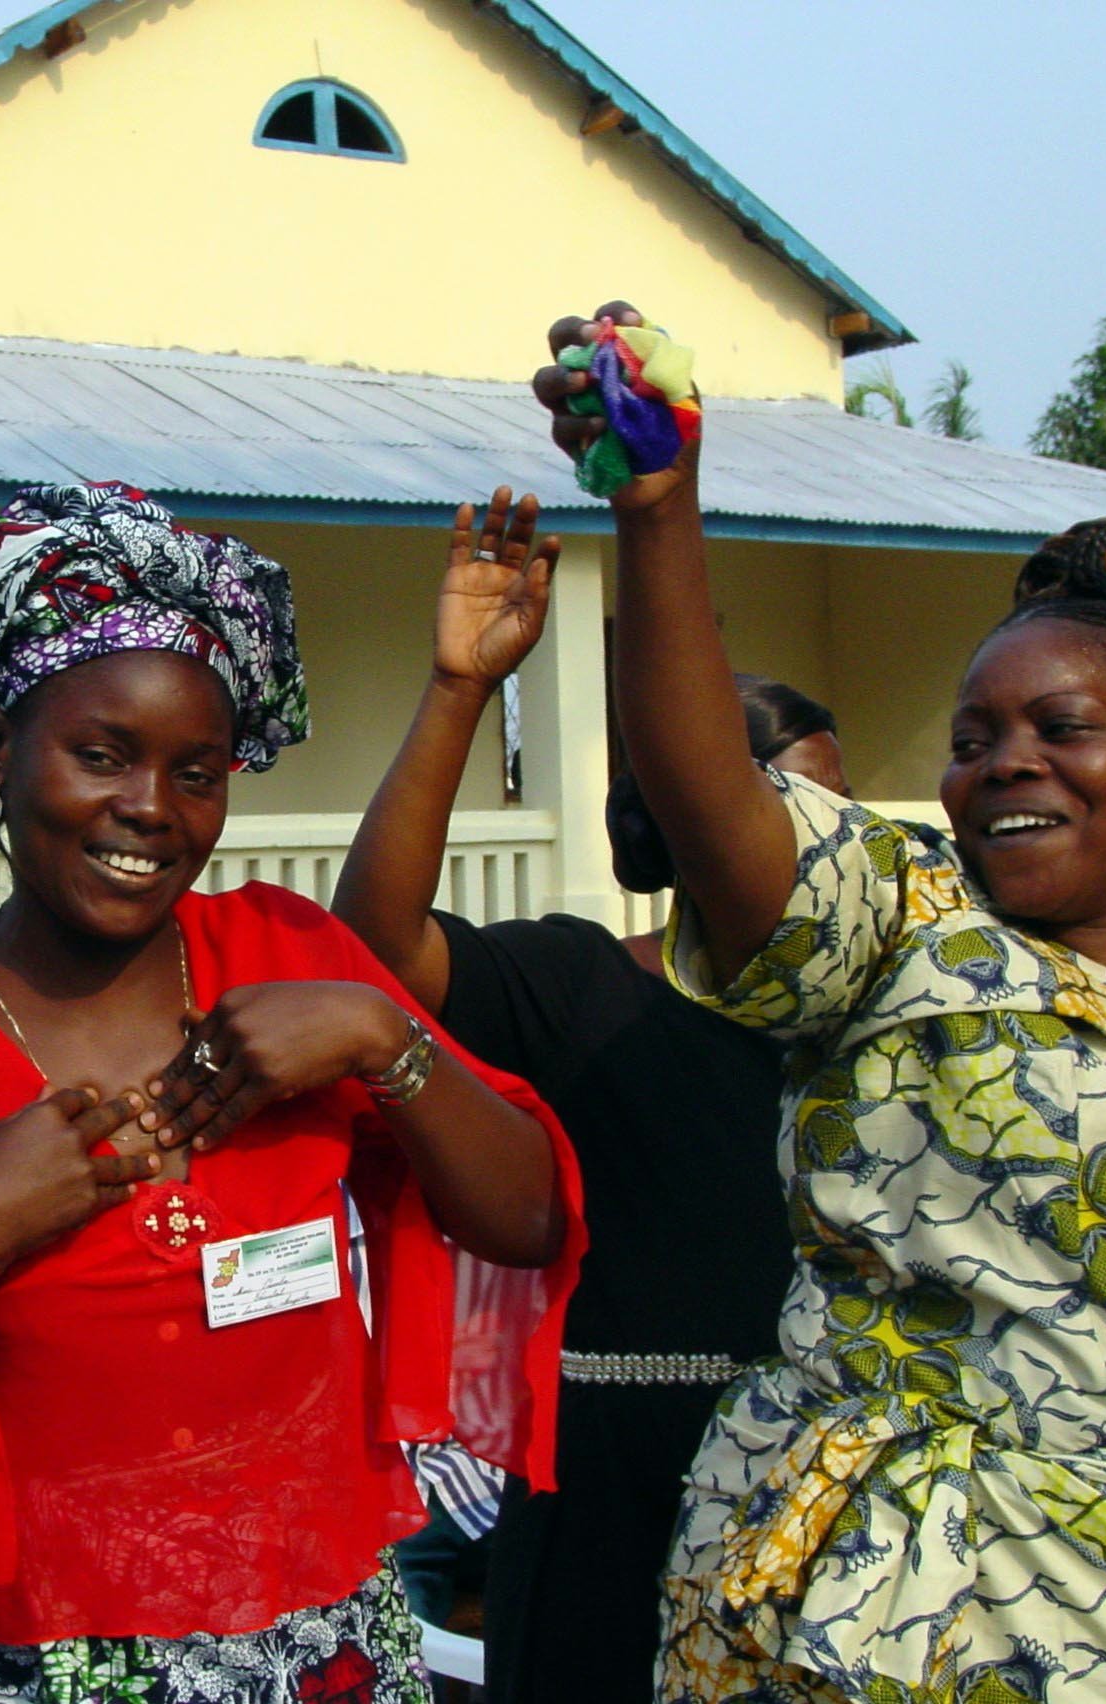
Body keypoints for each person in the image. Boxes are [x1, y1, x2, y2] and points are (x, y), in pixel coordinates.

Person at [535, 303, 1106, 1699]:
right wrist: (661, 510)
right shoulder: (902, 915)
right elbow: (716, 802)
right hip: (887, 1626)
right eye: (975, 738)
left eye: (1064, 730)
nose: (1004, 765)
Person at [0, 482, 584, 1704]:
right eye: (101, 755)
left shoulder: (287, 955)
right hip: (44, 1663)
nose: (150, 810)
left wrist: (377, 1034)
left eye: (196, 772)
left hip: (329, 1653)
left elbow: (524, 1218)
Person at [331, 490, 845, 1699]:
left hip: (818, 1486)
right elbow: (372, 947)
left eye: (845, 806)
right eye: (800, 801)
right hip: (607, 1497)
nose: (833, 840)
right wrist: (461, 687)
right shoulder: (574, 983)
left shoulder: (871, 1020)